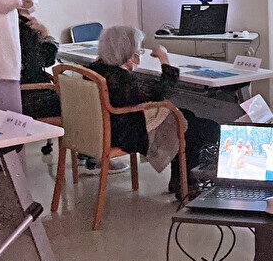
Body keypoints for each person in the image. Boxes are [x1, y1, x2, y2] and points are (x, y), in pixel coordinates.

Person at [86, 26, 220, 199]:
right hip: (126, 133)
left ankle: (179, 179)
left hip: (107, 126)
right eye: (137, 51)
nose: (138, 55)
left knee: (186, 115)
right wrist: (164, 59)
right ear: (128, 53)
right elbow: (164, 90)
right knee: (208, 128)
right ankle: (186, 184)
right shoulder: (121, 80)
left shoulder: (95, 69)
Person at [17, 0, 61, 120]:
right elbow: (46, 60)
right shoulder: (24, 28)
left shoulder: (10, 23)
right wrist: (45, 34)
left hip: (22, 93)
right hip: (32, 96)